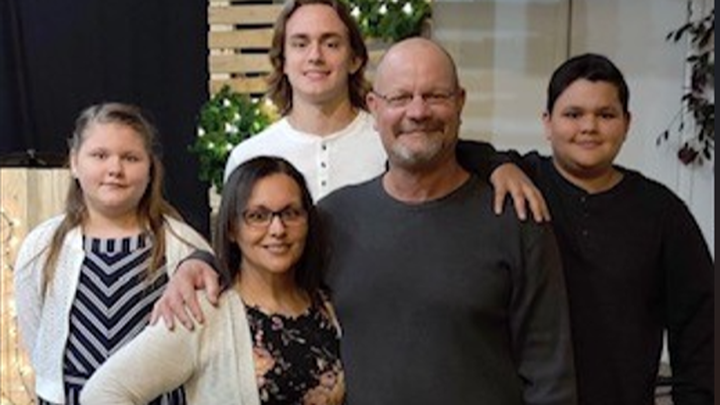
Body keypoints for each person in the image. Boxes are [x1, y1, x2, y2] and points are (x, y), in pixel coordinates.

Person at [156, 38, 578, 404]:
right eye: (400, 98)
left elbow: (550, 374)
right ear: (375, 108)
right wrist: (200, 264)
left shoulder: (515, 218)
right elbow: (264, 265)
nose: (418, 111)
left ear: (459, 103)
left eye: (435, 96)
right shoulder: (332, 219)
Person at [507, 53, 714, 405]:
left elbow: (701, 329)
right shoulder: (520, 185)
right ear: (547, 123)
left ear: (627, 123)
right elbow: (457, 154)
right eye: (573, 114)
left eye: (605, 115)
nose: (589, 126)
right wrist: (500, 167)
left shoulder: (663, 213)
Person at [222, 0, 548, 220]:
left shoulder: (395, 136)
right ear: (282, 60)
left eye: (331, 43)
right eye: (300, 43)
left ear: (355, 59)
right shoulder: (249, 156)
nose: (315, 56)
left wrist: (498, 165)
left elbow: (450, 152)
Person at [81, 156, 344, 404]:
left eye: (291, 213)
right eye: (257, 216)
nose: (277, 229)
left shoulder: (325, 306)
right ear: (231, 228)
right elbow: (103, 393)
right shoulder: (203, 313)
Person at [13, 103, 210, 404]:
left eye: (130, 158)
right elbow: (36, 329)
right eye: (100, 155)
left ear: (150, 168)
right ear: (74, 162)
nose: (115, 169)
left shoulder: (184, 245)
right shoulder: (42, 246)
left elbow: (203, 335)